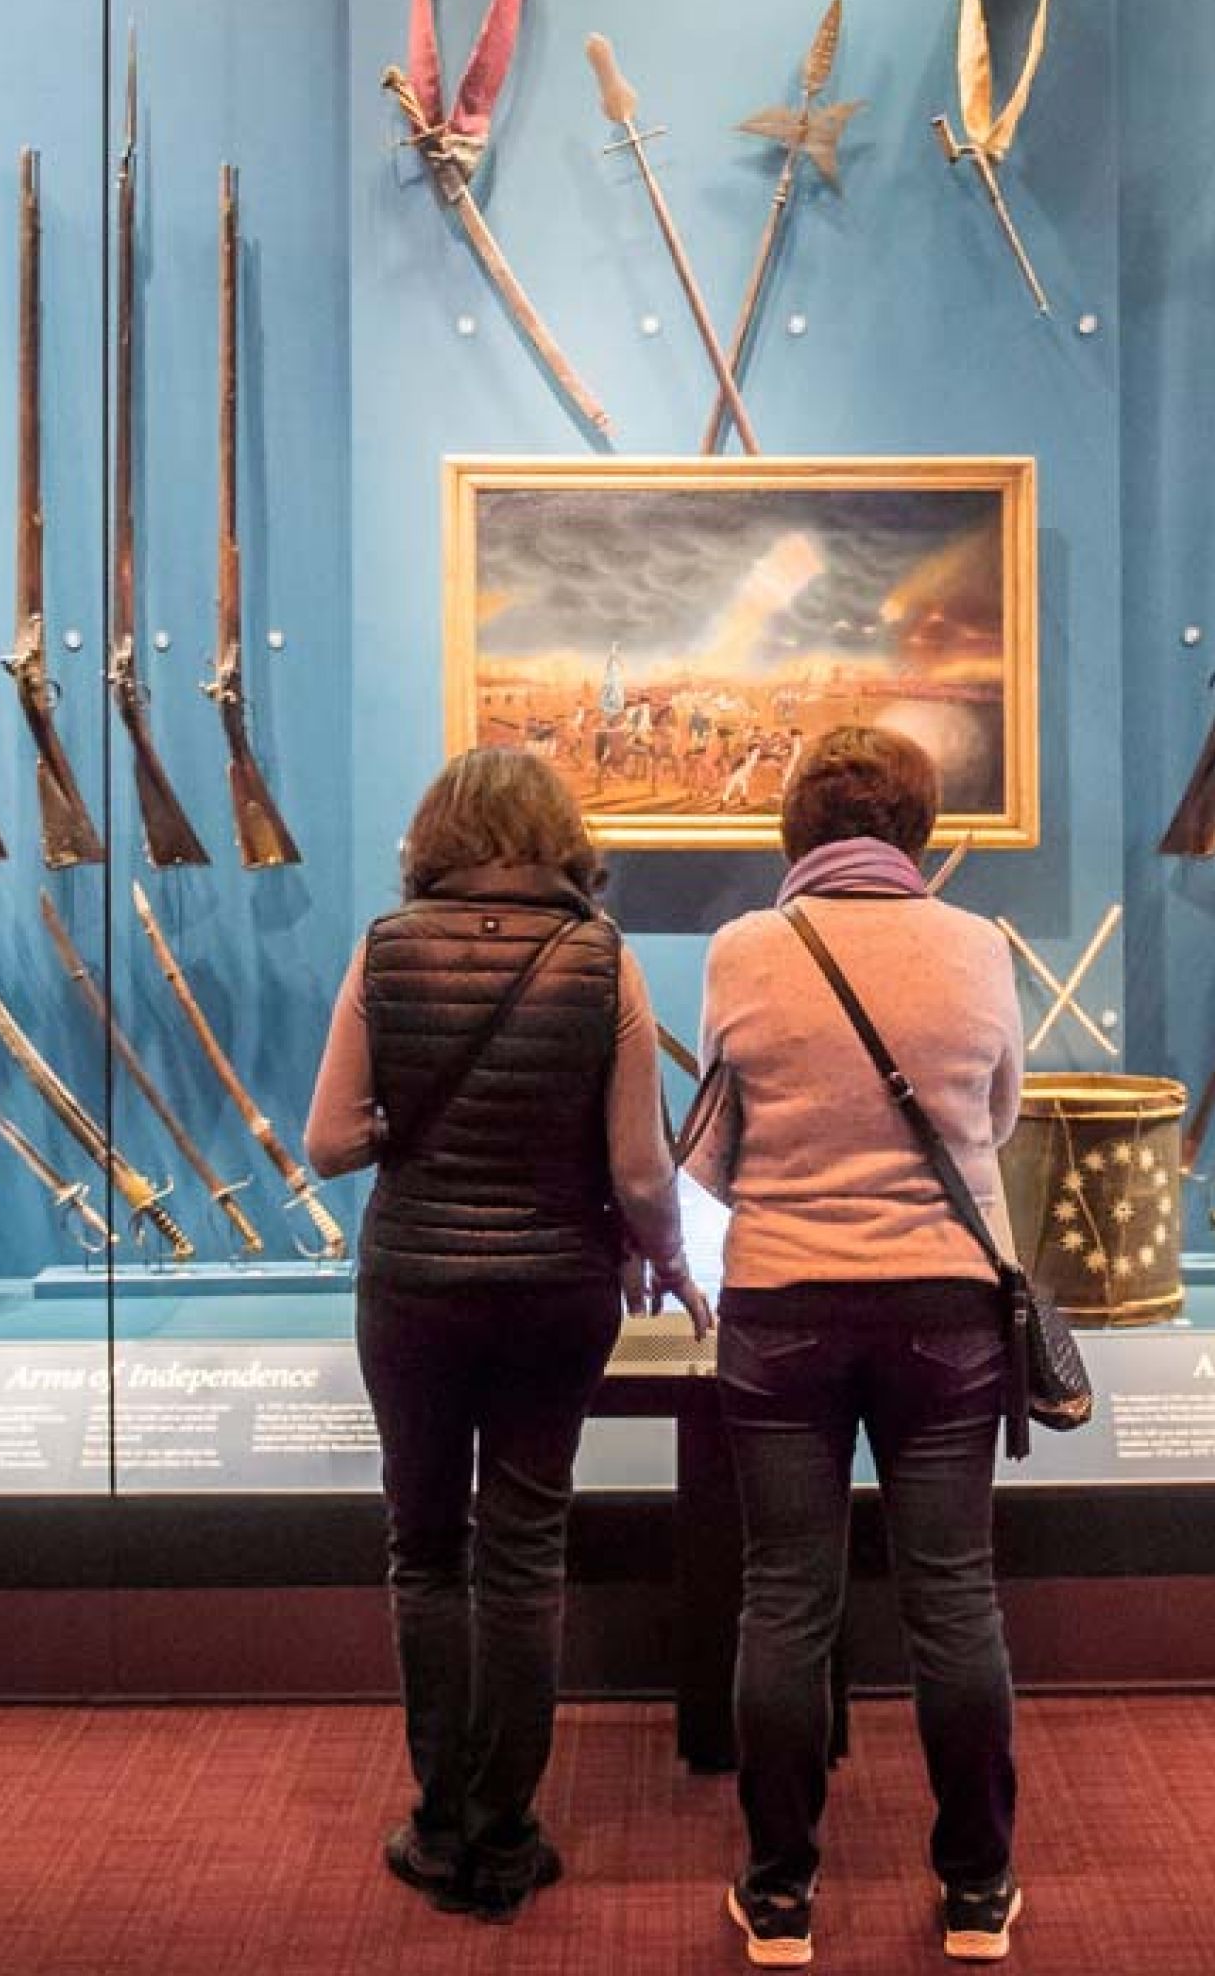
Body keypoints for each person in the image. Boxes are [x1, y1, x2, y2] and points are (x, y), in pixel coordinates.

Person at [304, 746, 713, 1921]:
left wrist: (403, 1126)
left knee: (424, 1546)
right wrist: (672, 1263)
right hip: (555, 1285)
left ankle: (439, 1825)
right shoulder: (601, 959)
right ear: (560, 838)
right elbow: (640, 1170)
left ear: (433, 836)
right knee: (524, 1549)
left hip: (414, 1282)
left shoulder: (384, 949)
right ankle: (507, 1832)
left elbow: (327, 1139)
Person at [683, 725, 1027, 1968]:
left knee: (784, 1599)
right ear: (917, 828)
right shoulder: (977, 944)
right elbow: (999, 1112)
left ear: (796, 828)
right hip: (944, 1304)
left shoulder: (744, 949)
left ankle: (779, 1897)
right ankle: (978, 1891)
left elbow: (719, 1136)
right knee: (952, 1596)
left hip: (781, 1302)